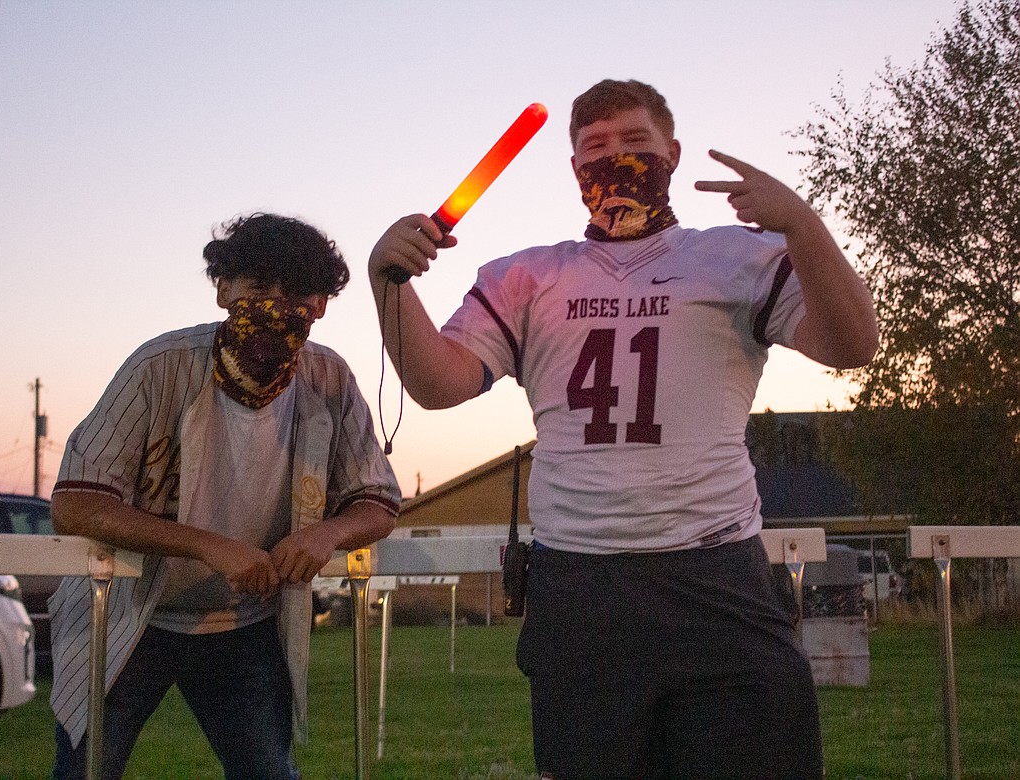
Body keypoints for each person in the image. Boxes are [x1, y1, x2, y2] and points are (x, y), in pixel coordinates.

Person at [368, 79, 878, 779]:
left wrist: (803, 224)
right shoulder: (526, 275)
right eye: (596, 147)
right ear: (574, 168)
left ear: (672, 150)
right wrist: (390, 284)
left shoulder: (736, 254)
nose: (616, 158)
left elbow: (852, 345)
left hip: (716, 569)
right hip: (583, 584)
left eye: (636, 141)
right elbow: (437, 384)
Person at [48, 212, 400, 780]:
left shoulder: (328, 378)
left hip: (242, 622)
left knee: (269, 772)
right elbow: (75, 504)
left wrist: (326, 532)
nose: (276, 307)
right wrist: (209, 546)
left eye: (295, 293)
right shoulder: (159, 368)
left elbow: (378, 498)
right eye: (259, 287)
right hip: (134, 613)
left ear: (321, 305)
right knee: (87, 768)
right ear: (222, 289)